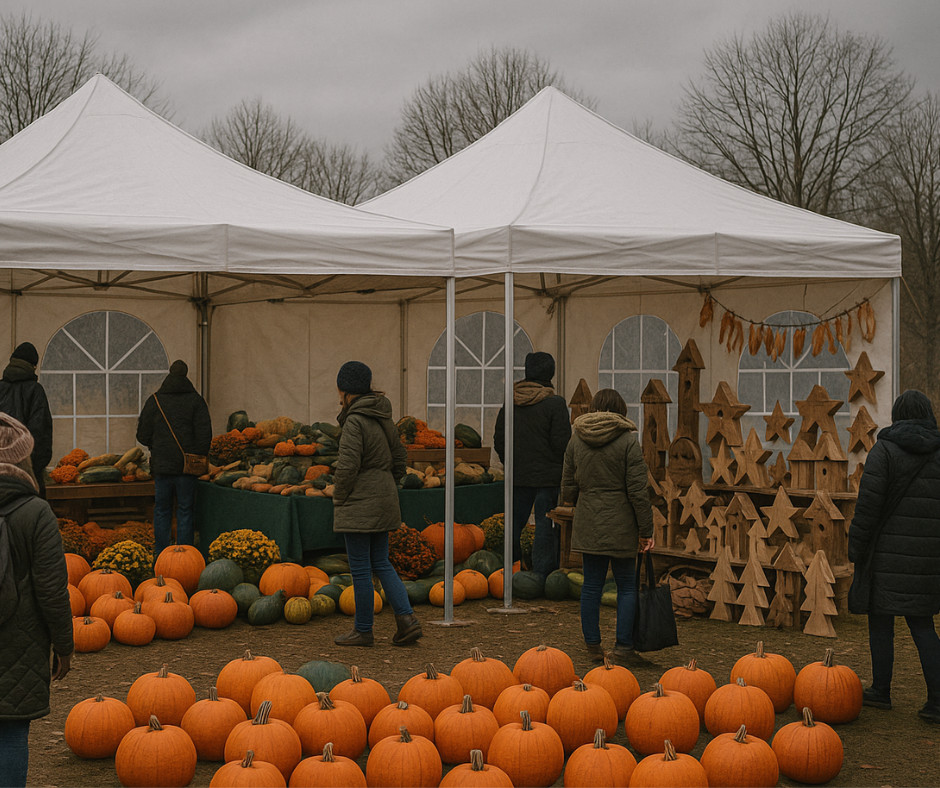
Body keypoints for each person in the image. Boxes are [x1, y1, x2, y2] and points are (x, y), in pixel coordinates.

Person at [848, 389, 940, 724]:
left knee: (881, 622)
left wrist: (856, 548)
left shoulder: (884, 450)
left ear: (897, 415)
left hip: (886, 555)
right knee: (923, 626)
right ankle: (938, 702)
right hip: (928, 559)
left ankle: (881, 691)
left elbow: (868, 507)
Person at [0, 413, 73, 787]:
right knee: (11, 735)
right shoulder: (36, 512)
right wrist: (64, 645)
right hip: (20, 642)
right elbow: (51, 589)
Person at [561, 388, 654, 667]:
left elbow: (567, 487)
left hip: (589, 520)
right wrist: (646, 530)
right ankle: (624, 647)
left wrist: (584, 501)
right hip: (622, 523)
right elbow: (638, 491)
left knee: (591, 586)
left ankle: (592, 646)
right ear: (621, 410)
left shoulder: (576, 441)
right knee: (626, 586)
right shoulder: (627, 442)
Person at [331, 360, 422, 647]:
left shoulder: (355, 421)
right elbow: (399, 458)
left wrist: (339, 497)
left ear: (344, 390)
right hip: (383, 497)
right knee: (381, 562)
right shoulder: (383, 415)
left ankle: (363, 630)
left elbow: (347, 467)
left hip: (360, 500)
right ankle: (407, 620)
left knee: (360, 568)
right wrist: (388, 485)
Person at [494, 351, 571, 576]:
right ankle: (542, 574)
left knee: (513, 526)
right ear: (551, 374)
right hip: (548, 479)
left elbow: (500, 440)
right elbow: (562, 443)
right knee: (544, 526)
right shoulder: (555, 404)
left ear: (527, 372)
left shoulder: (511, 403)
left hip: (518, 476)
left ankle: (511, 570)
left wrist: (511, 463)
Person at [136, 360, 212, 560]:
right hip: (187, 468)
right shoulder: (196, 401)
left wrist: (157, 446)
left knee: (162, 509)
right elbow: (205, 435)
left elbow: (142, 435)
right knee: (185, 510)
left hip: (162, 467)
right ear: (186, 375)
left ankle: (161, 554)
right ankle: (184, 557)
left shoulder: (155, 401)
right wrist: (195, 454)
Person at [0, 343, 53, 499]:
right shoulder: (35, 391)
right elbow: (41, 436)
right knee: (28, 520)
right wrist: (31, 470)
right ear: (33, 366)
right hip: (28, 481)